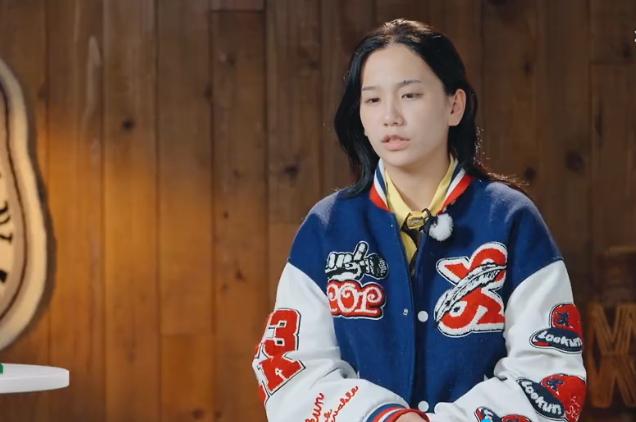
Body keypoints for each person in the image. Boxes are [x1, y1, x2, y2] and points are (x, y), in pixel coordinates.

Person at [252, 19, 586, 422]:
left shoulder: (511, 220)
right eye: (372, 100)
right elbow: (289, 368)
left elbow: (550, 373)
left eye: (410, 95)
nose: (390, 116)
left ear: (454, 106)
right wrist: (383, 416)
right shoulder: (327, 227)